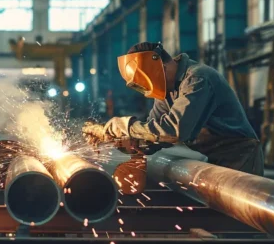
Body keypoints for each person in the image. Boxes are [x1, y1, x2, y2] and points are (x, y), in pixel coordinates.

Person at [82, 42, 263, 175]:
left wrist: (126, 125)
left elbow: (174, 130)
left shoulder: (198, 79)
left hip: (241, 156)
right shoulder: (166, 90)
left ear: (159, 66)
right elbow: (154, 136)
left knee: (238, 221)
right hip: (217, 157)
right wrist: (126, 141)